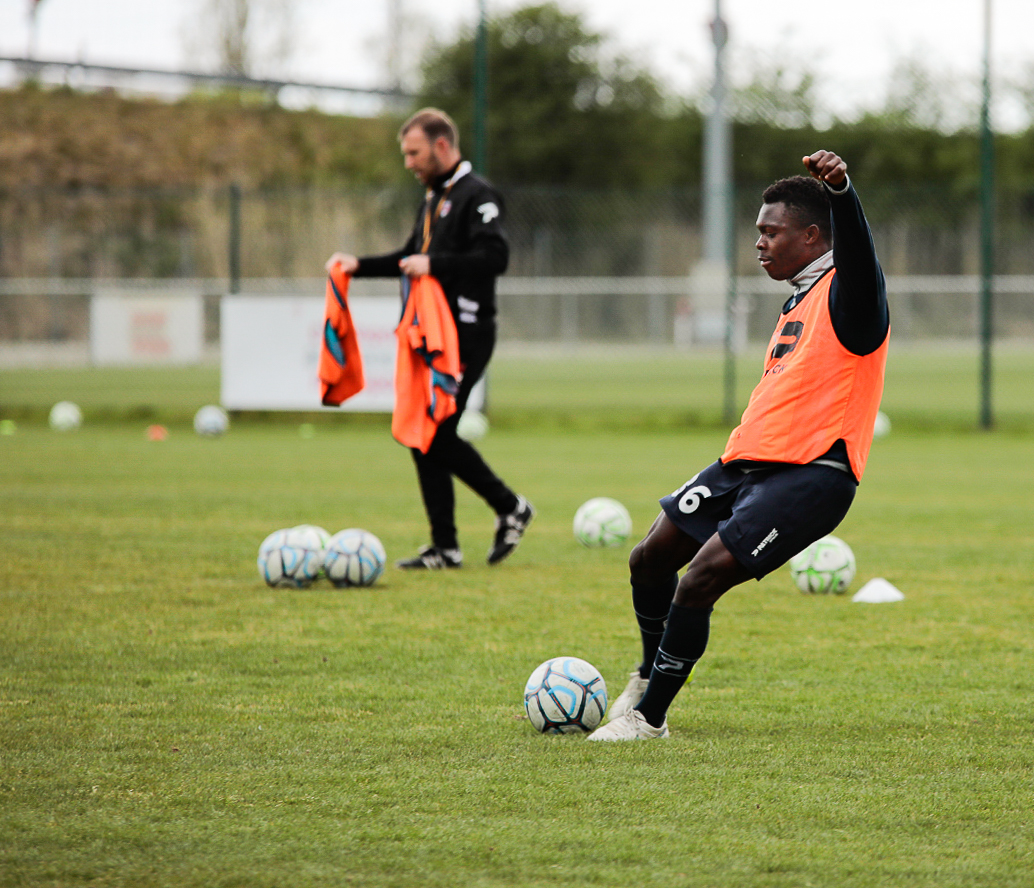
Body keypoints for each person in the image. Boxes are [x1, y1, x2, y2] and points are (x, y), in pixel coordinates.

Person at [588, 150, 889, 740]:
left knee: (700, 579)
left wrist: (842, 193)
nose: (759, 243)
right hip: (746, 463)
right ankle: (646, 678)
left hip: (812, 473)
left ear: (811, 236)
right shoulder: (799, 296)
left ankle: (649, 720)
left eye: (770, 232)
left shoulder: (852, 295)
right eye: (758, 231)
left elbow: (861, 257)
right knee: (649, 557)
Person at [326, 108, 533, 569]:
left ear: (442, 146)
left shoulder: (477, 195)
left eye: (414, 153)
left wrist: (434, 265)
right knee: (422, 435)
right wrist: (357, 265)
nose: (408, 163)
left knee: (434, 433)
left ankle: (510, 507)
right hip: (435, 336)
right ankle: (445, 547)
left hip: (467, 333)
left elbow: (495, 256)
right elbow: (410, 258)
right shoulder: (433, 198)